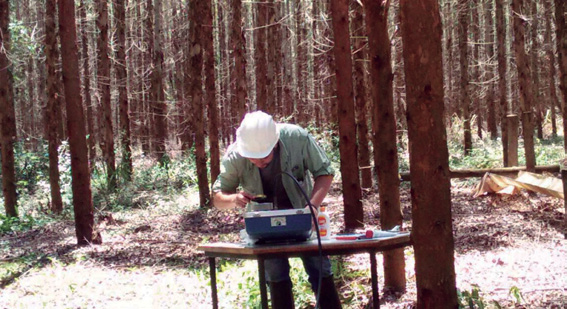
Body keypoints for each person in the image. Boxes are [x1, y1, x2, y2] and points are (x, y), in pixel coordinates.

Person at [212, 111, 342, 309]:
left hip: (304, 219)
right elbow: (218, 198)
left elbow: (325, 172)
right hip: (264, 230)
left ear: (275, 143)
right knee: (275, 272)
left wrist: (313, 206)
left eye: (264, 158)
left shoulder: (297, 138)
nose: (259, 163)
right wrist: (234, 199)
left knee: (319, 267)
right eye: (252, 159)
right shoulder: (235, 154)